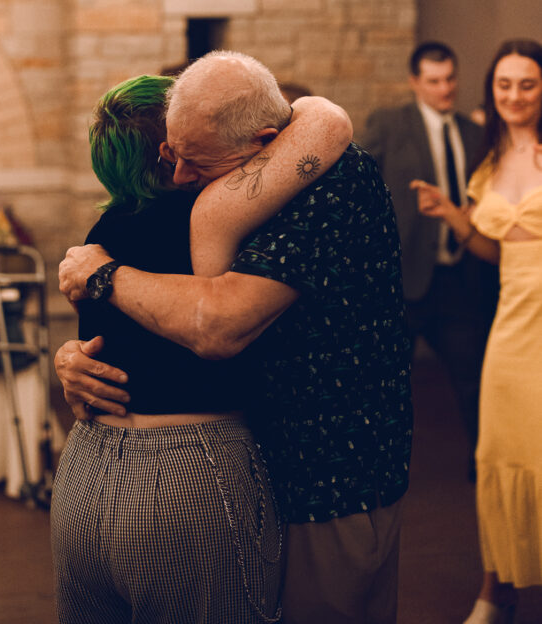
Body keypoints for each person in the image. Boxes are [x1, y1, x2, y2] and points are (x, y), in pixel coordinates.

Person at [58, 51, 413, 624]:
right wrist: (74, 357)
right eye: (172, 156)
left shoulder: (330, 182)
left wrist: (104, 275)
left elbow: (218, 324)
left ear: (264, 142)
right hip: (264, 472)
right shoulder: (234, 193)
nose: (182, 176)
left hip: (329, 481)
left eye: (195, 159)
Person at [410, 38, 542, 624]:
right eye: (504, 84)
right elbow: (496, 250)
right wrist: (452, 216)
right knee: (498, 452)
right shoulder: (488, 161)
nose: (514, 95)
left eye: (527, 84)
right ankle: (497, 590)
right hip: (511, 327)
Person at [361, 41, 497, 473]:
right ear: (415, 82)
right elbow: (361, 186)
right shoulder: (389, 123)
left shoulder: (474, 132)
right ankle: (378, 468)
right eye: (434, 81)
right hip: (403, 278)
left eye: (450, 79)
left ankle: (485, 464)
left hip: (457, 275)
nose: (445, 88)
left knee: (473, 374)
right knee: (387, 383)